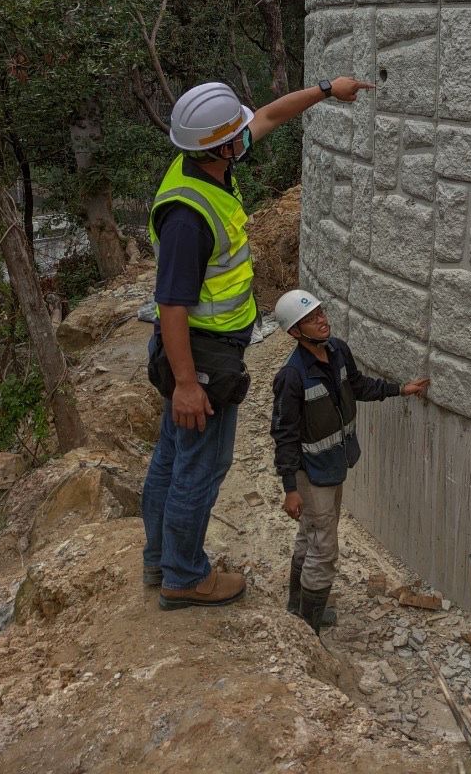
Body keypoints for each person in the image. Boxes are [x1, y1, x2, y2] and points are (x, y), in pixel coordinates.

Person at [142, 76, 372, 612]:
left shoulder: (202, 162)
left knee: (172, 458)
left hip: (203, 349)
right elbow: (171, 303)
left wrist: (324, 90)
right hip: (200, 357)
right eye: (236, 133)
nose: (248, 133)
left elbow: (266, 117)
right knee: (200, 466)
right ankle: (183, 576)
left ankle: (161, 560)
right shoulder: (188, 217)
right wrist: (184, 383)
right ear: (220, 146)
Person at [270, 289, 429, 634]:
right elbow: (283, 435)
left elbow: (357, 386)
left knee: (310, 534)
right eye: (311, 319)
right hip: (311, 474)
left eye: (321, 313)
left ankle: (298, 608)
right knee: (324, 548)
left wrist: (400, 389)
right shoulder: (292, 377)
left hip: (334, 464)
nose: (322, 320)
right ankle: (308, 628)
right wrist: (290, 489)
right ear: (295, 333)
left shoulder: (338, 351)